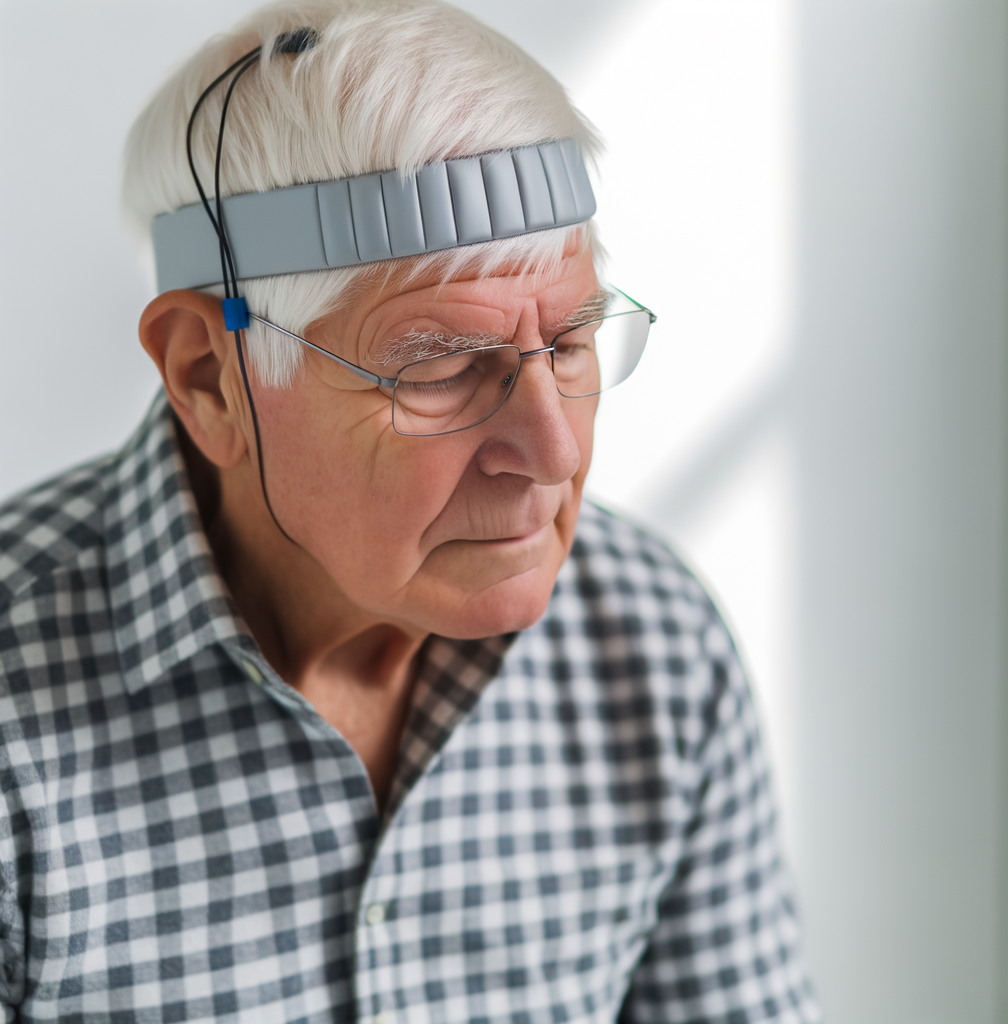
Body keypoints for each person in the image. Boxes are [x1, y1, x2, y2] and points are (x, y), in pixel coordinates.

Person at [0, 1, 819, 1020]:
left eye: (568, 345)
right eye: (442, 368)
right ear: (210, 375)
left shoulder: (654, 645)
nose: (555, 455)